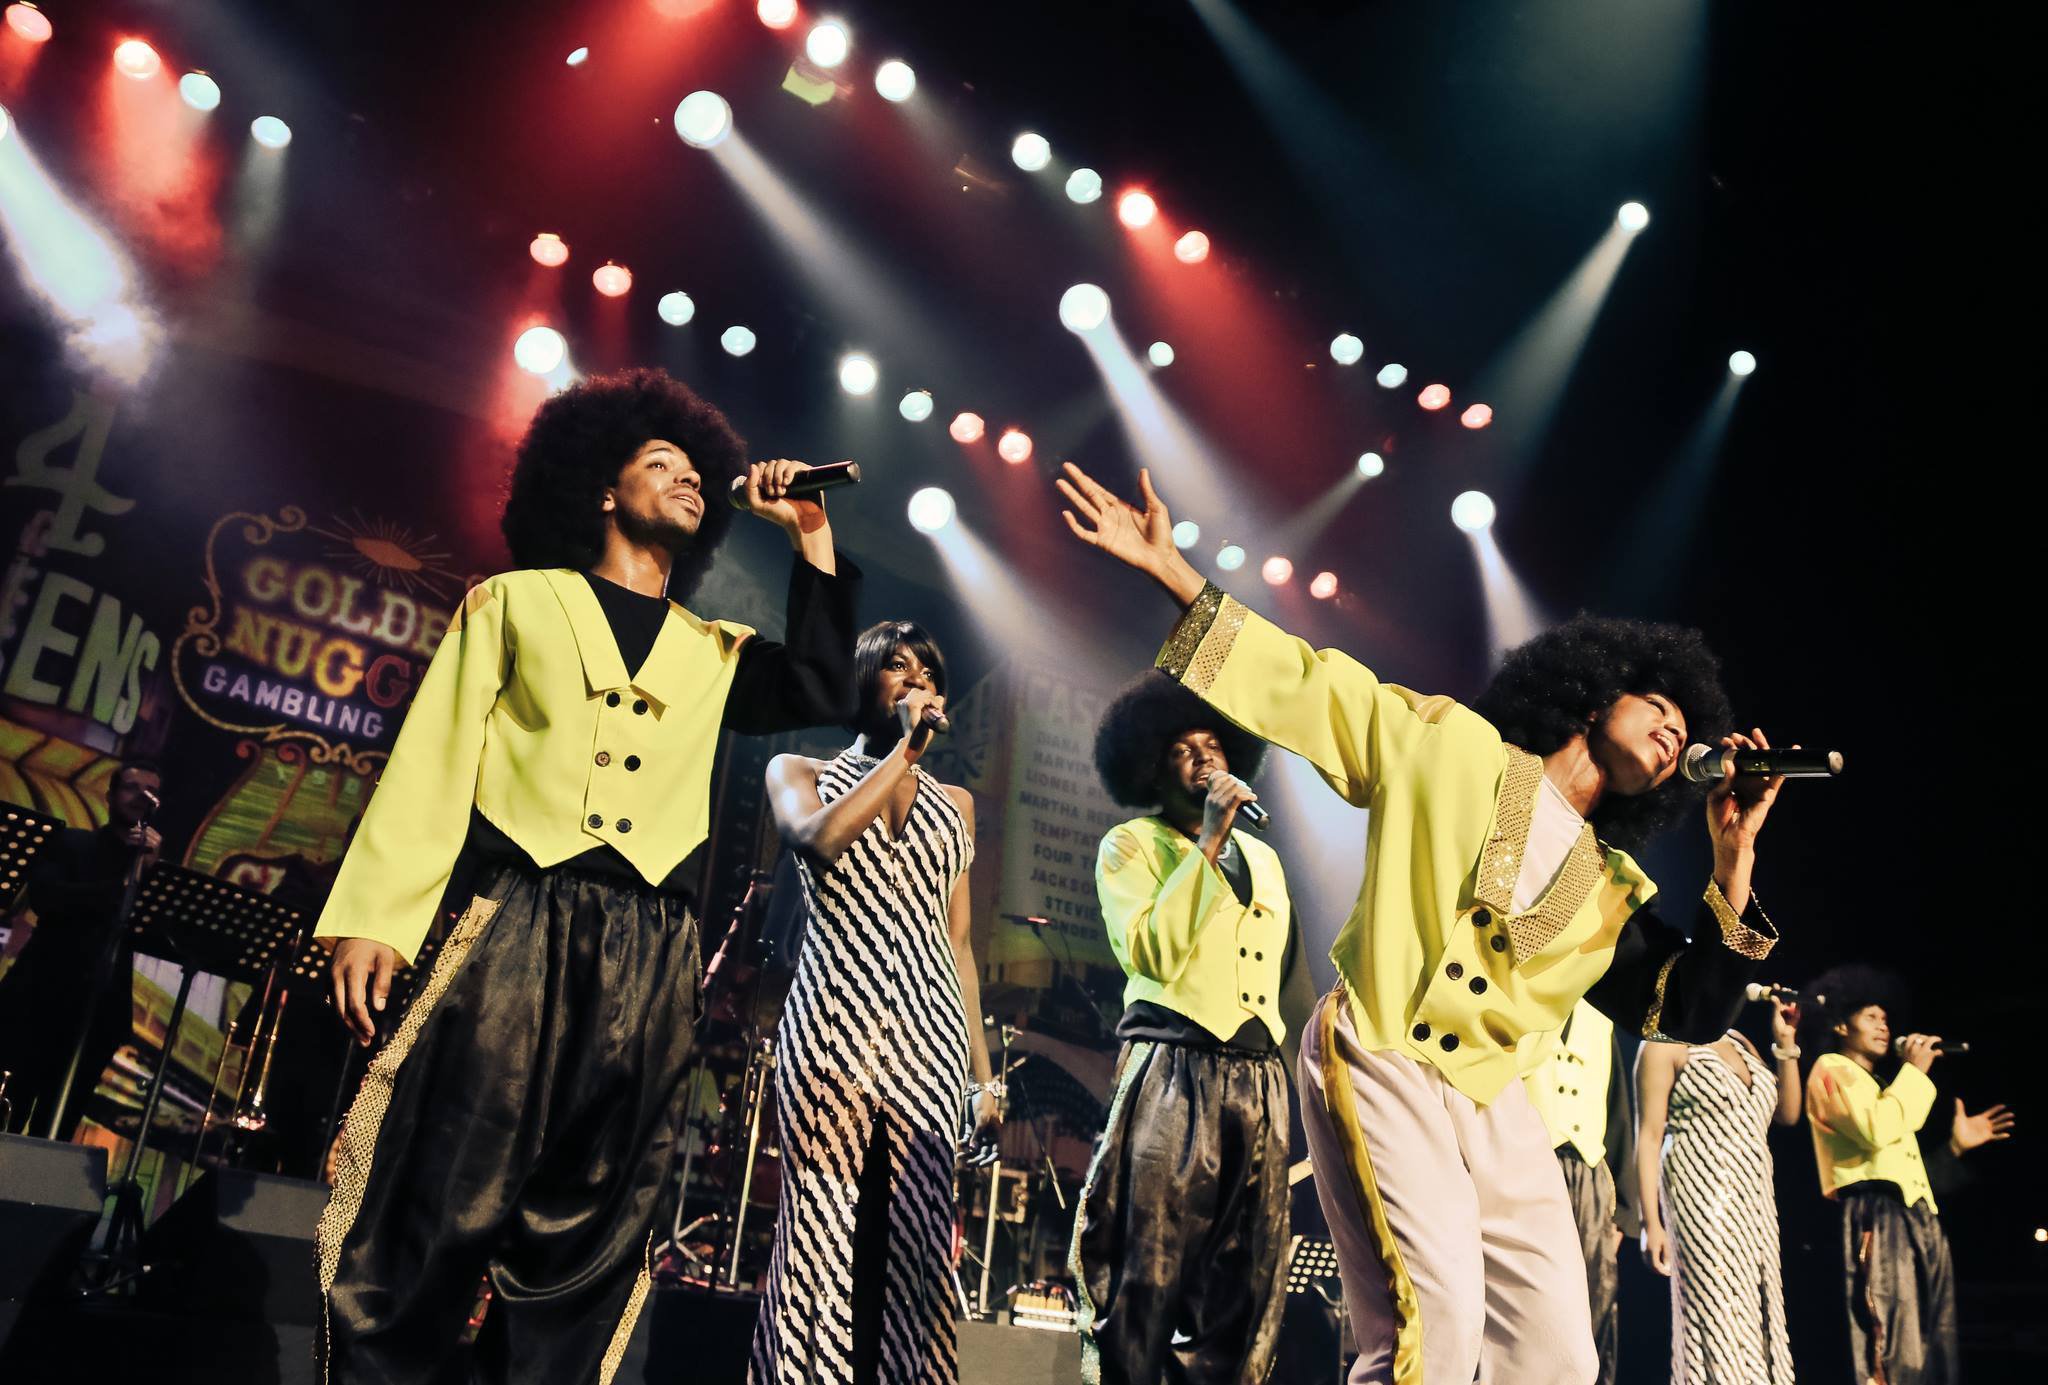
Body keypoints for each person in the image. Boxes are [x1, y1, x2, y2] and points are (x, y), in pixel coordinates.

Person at [1055, 462, 1789, 1384]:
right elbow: (1306, 687)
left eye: (1687, 729)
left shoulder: (1610, 886)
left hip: (1496, 1105)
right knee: (1431, 1331)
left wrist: (1733, 858)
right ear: (1600, 695)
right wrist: (1172, 570)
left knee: (1559, 1357)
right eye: (1661, 707)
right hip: (1385, 1046)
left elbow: (1687, 1009)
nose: (1677, 732)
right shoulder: (1452, 746)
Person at [312, 368, 861, 1385]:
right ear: (603, 490)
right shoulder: (516, 602)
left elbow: (827, 686)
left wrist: (807, 532)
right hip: (518, 926)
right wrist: (377, 916)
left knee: (590, 1230)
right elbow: (434, 761)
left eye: (697, 471)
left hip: (653, 953)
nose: (688, 478)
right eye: (661, 462)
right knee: (441, 1197)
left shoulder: (714, 650)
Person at [750, 620, 997, 1384]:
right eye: (898, 664)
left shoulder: (957, 805)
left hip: (931, 1048)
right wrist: (904, 755)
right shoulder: (800, 770)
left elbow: (959, 944)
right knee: (821, 1246)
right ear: (865, 680)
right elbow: (819, 841)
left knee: (915, 1251)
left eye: (930, 671)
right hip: (832, 1033)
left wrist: (983, 1078)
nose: (917, 679)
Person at [1068, 671, 1314, 1385]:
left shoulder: (1265, 859)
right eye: (1183, 748)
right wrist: (1207, 838)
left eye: (1215, 744)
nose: (1205, 757)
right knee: (1148, 1267)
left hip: (1258, 1078)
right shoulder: (1130, 845)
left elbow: (1289, 980)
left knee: (1248, 1277)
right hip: (1173, 1068)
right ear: (1150, 765)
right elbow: (1152, 951)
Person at [1804, 966, 2016, 1385]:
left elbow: (1904, 1177)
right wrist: (1915, 1072)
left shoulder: (1884, 1089)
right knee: (1893, 1347)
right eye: (1870, 1017)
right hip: (1877, 1221)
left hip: (1915, 1222)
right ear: (1841, 1025)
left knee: (1933, 1347)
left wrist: (1954, 1149)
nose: (1883, 1026)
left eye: (1886, 1019)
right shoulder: (1832, 1068)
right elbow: (1876, 1129)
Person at [1636, 991, 1802, 1382]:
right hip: (1700, 1194)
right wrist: (1650, 1223)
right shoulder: (1664, 1043)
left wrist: (1785, 1043)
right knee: (1715, 1308)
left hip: (1755, 1200)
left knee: (1756, 1310)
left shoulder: (1740, 1043)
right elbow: (1649, 1136)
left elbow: (1788, 1112)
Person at [0, 758, 163, 1139]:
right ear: (110, 795)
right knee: (12, 1104)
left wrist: (148, 873)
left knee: (60, 1123)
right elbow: (47, 898)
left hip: (101, 1008)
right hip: (39, 992)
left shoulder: (151, 867)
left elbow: (154, 934)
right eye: (132, 788)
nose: (141, 797)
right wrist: (123, 884)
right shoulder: (72, 842)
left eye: (151, 792)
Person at [1519, 1000, 1639, 1385]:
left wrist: (1622, 1213)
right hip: (1531, 1167)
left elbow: (1618, 1111)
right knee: (1530, 1301)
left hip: (1589, 1174)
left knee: (1594, 1300)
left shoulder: (1601, 1015)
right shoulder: (1524, 1000)